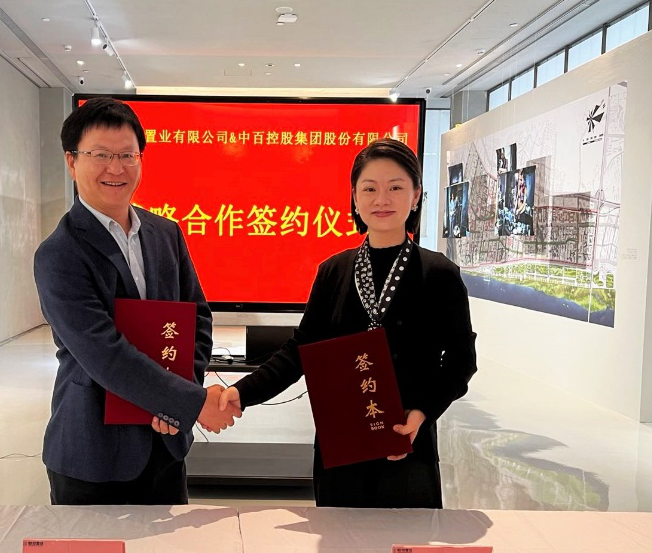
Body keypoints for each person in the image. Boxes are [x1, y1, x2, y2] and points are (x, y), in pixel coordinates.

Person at [208, 138, 477, 508]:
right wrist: (243, 392)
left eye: (395, 188)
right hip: (341, 446)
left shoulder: (439, 274)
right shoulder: (333, 271)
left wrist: (422, 412)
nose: (381, 199)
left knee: (408, 539)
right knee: (336, 538)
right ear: (354, 197)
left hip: (408, 442)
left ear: (416, 195)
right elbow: (300, 351)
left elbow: (461, 361)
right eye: (369, 188)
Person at [35, 97, 239, 506]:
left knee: (172, 548)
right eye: (100, 155)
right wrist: (189, 403)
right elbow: (104, 354)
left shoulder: (166, 233)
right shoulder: (59, 253)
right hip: (94, 452)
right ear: (71, 161)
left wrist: (177, 400)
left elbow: (197, 318)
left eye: (127, 155)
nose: (116, 168)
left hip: (165, 445)